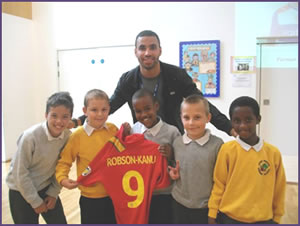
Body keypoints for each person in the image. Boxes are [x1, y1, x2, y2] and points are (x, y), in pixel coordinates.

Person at [71, 30, 236, 137]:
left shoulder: (176, 75)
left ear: (160, 50)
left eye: (152, 47)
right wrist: (78, 121)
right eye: (142, 48)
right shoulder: (128, 80)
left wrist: (229, 128)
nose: (147, 52)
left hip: (173, 140)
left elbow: (202, 104)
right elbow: (109, 106)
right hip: (142, 141)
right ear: (136, 52)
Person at [208, 96, 286, 224]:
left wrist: (277, 217)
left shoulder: (273, 153)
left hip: (263, 220)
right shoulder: (226, 150)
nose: (242, 125)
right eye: (237, 121)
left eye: (248, 120)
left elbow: (279, 189)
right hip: (229, 219)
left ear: (258, 119)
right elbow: (219, 184)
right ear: (231, 122)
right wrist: (212, 213)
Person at [6, 92, 74, 224]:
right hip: (20, 191)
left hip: (46, 188)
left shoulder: (67, 137)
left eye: (65, 117)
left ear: (70, 118)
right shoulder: (30, 137)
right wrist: (35, 201)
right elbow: (20, 173)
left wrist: (53, 193)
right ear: (46, 115)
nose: (59, 121)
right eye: (54, 116)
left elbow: (60, 167)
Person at [55, 89, 117, 224]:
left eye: (104, 109)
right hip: (90, 198)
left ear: (109, 109)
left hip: (114, 195)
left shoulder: (114, 130)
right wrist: (62, 179)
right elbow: (64, 162)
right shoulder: (77, 136)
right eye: (94, 110)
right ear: (85, 111)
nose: (100, 114)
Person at [168, 94, 224, 224]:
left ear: (208, 118)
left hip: (205, 208)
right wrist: (173, 174)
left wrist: (214, 210)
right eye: (186, 118)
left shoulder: (217, 145)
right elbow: (174, 169)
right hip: (179, 204)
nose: (191, 123)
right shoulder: (177, 143)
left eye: (197, 117)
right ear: (180, 118)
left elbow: (220, 181)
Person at [130, 88, 181, 223]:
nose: (144, 114)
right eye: (138, 111)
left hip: (165, 192)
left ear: (156, 106)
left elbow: (181, 161)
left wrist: (171, 154)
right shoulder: (133, 131)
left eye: (147, 109)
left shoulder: (172, 132)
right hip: (141, 192)